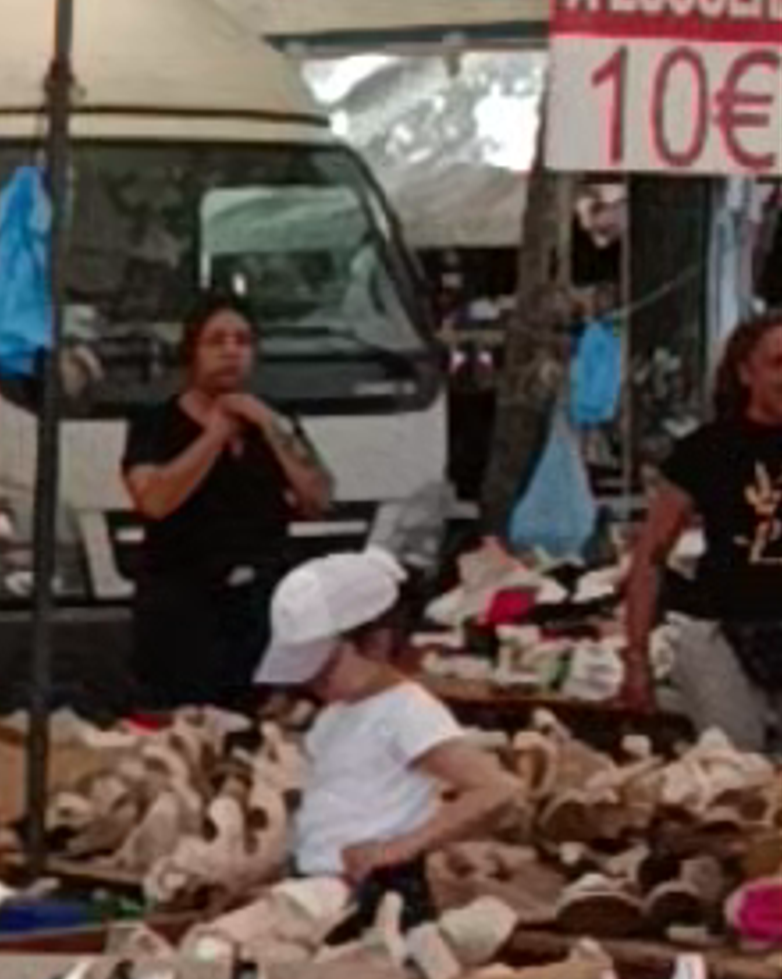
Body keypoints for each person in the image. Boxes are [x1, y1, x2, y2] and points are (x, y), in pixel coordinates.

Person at [246, 545, 514, 902]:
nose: (313, 682)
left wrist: (401, 848)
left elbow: (494, 788)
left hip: (377, 888)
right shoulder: (333, 716)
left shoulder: (407, 710)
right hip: (319, 880)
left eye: (324, 668)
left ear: (375, 643)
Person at [119, 295, 330, 714]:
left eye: (243, 341)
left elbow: (318, 498)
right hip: (183, 607)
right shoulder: (154, 423)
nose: (231, 351)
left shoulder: (273, 421)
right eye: (217, 341)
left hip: (260, 609)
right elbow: (154, 500)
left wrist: (270, 428)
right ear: (192, 353)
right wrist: (214, 434)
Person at [619, 308, 782, 759]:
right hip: (721, 633)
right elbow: (650, 557)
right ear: (746, 373)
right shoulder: (707, 451)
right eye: (778, 364)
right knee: (735, 767)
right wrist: (635, 659)